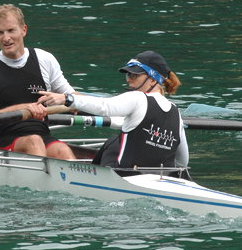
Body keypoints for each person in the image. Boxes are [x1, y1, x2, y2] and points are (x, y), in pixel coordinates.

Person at [39, 51, 188, 175]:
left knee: (113, 142)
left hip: (125, 177)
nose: (129, 80)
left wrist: (67, 98)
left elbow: (105, 107)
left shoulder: (138, 98)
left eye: (134, 75)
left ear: (152, 79)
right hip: (164, 179)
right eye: (128, 75)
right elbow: (182, 161)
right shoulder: (176, 112)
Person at [0, 4, 76, 160]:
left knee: (63, 150)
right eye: (0, 32)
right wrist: (23, 108)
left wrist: (72, 100)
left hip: (43, 136)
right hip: (7, 142)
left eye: (11, 30)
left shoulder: (44, 59)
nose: (6, 38)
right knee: (34, 142)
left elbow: (73, 96)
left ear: (23, 30)